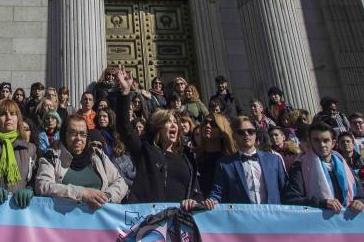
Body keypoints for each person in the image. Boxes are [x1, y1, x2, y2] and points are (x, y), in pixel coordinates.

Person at [114, 67, 211, 210]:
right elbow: (124, 127)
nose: (174, 125)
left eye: (175, 122)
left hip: (182, 222)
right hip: (151, 222)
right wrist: (125, 92)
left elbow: (195, 189)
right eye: (168, 122)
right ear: (158, 127)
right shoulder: (146, 152)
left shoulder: (187, 156)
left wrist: (196, 201)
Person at [282, 123, 364, 216]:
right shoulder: (299, 167)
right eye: (316, 140)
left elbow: (362, 189)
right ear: (310, 142)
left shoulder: (344, 164)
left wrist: (362, 201)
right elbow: (291, 199)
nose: (322, 145)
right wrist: (323, 203)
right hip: (319, 227)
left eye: (326, 140)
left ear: (333, 143)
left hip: (348, 222)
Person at [35, 115, 128, 209]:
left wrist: (106, 197)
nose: (78, 138)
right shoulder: (52, 157)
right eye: (73, 133)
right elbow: (43, 186)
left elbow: (120, 182)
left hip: (99, 219)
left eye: (83, 134)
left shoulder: (97, 155)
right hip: (64, 220)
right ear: (64, 134)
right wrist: (82, 193)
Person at [207, 116, 286, 205]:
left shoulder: (274, 160)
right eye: (241, 132)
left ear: (255, 134)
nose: (247, 134)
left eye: (250, 131)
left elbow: (285, 190)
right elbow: (218, 192)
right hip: (242, 216)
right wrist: (211, 201)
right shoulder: (225, 164)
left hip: (272, 215)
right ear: (234, 136)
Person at [194, 112, 234, 197]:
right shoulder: (194, 157)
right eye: (205, 123)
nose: (208, 126)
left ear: (222, 131)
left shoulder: (231, 161)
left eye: (213, 124)